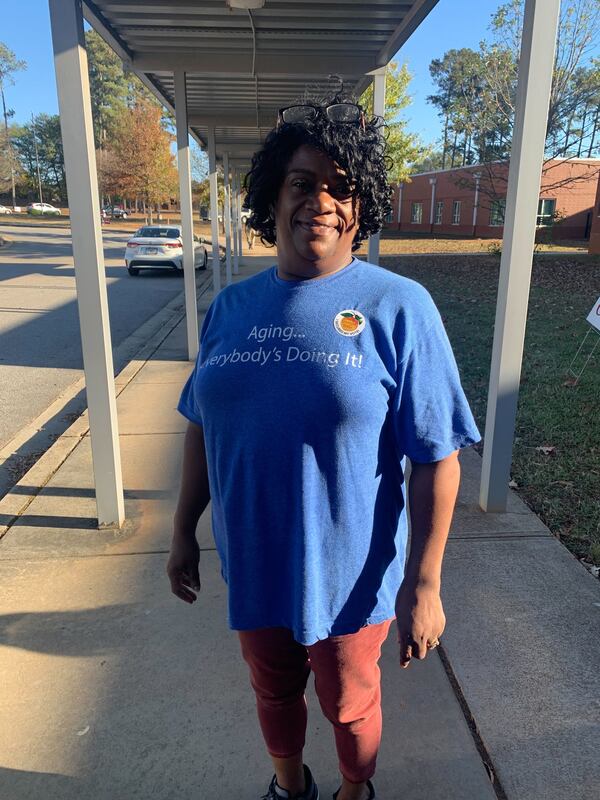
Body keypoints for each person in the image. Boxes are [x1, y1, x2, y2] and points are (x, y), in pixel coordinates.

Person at [167, 97, 481, 800]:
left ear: (361, 207)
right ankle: (289, 787)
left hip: (350, 579)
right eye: (304, 182)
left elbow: (437, 456)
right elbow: (201, 422)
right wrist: (181, 530)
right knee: (273, 694)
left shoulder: (399, 306)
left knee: (349, 705)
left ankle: (351, 791)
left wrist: (424, 584)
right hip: (253, 561)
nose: (323, 201)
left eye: (343, 187)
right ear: (272, 196)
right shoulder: (232, 309)